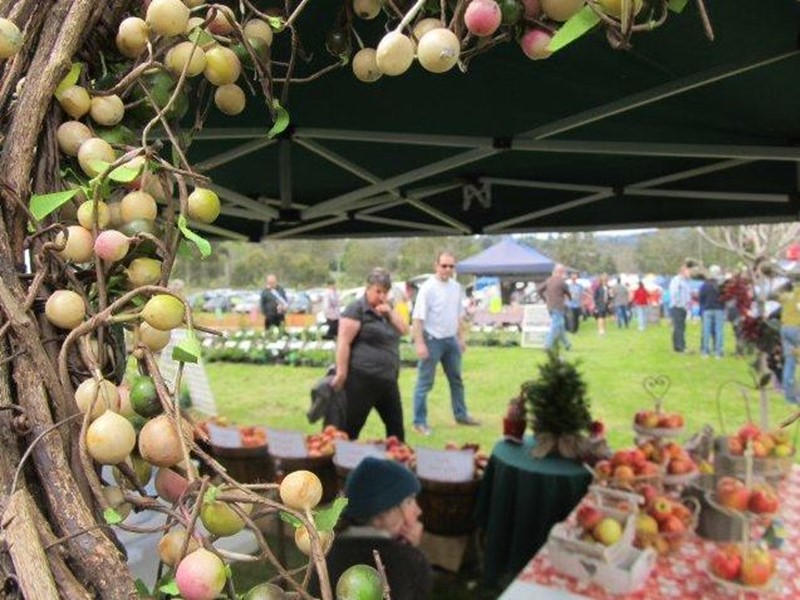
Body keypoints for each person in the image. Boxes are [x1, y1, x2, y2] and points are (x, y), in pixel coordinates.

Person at [314, 457, 433, 600]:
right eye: (408, 502)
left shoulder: (326, 556)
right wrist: (411, 550)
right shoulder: (408, 562)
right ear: (381, 515)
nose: (418, 510)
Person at [332, 268, 408, 441]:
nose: (381, 296)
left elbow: (404, 330)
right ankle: (339, 463)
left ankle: (396, 464)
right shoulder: (357, 308)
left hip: (387, 381)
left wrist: (389, 312)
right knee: (350, 428)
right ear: (368, 289)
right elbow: (343, 342)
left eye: (385, 292)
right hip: (362, 379)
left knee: (396, 429)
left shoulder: (388, 310)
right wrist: (341, 373)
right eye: (378, 291)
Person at [411, 251, 479, 436]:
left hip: (451, 341)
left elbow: (457, 316)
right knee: (424, 383)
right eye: (444, 265)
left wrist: (461, 339)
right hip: (432, 340)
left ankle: (461, 415)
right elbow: (417, 319)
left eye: (451, 266)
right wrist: (420, 343)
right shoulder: (427, 288)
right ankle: (419, 422)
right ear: (436, 265)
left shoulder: (456, 287)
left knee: (456, 380)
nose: (447, 269)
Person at [537, 263, 571, 351]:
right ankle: (547, 345)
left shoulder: (548, 280)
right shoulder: (562, 281)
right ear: (560, 272)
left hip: (550, 307)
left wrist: (545, 298)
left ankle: (567, 344)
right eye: (563, 271)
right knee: (555, 326)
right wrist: (569, 298)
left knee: (560, 327)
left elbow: (539, 289)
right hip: (559, 307)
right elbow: (568, 292)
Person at [778, 281, 800, 404]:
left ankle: (789, 397)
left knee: (789, 362)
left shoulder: (787, 295)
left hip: (785, 328)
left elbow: (777, 293)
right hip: (797, 329)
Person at [699, 265, 725, 358]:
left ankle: (705, 351)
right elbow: (725, 297)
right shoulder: (721, 285)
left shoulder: (705, 284)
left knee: (706, 331)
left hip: (707, 309)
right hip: (719, 309)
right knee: (719, 331)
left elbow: (701, 297)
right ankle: (718, 352)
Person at [668, 262, 692, 353]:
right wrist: (678, 303)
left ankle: (678, 346)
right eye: (688, 272)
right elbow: (674, 293)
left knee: (681, 327)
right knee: (679, 327)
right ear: (683, 271)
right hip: (677, 307)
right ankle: (680, 346)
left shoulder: (686, 282)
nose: (690, 273)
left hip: (683, 307)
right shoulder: (676, 280)